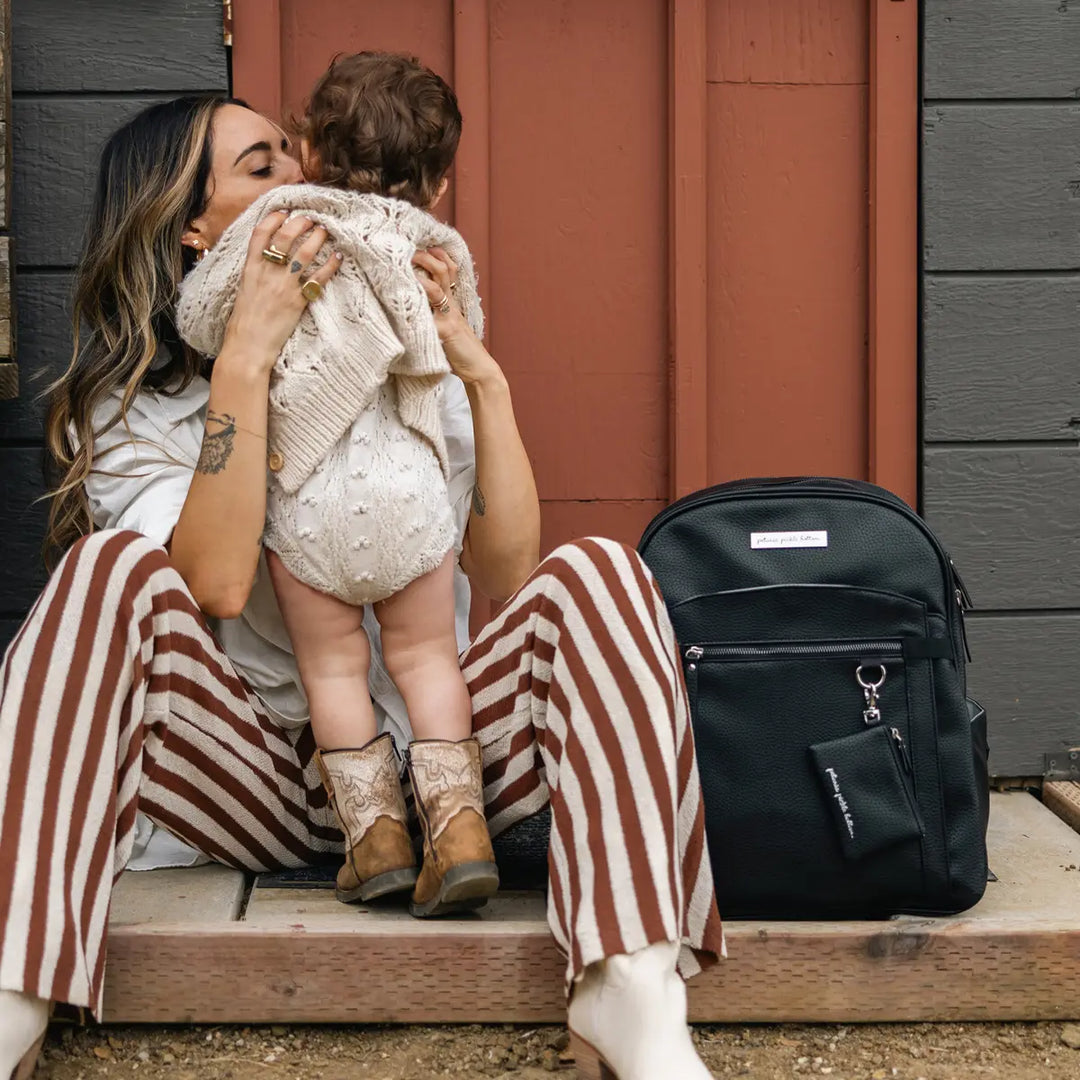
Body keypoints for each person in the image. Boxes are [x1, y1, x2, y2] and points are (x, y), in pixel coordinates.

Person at [0, 90, 724, 1080]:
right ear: (192, 232)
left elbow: (508, 577)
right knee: (102, 571)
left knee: (599, 569)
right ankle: (11, 995)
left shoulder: (390, 352)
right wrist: (246, 356)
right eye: (262, 168)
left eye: (297, 159)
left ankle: (632, 989)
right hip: (258, 770)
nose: (302, 182)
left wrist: (481, 377)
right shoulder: (133, 415)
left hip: (452, 764)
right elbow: (211, 580)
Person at [177, 52, 498, 918]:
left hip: (310, 493)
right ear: (436, 184)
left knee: (332, 668)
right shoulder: (437, 243)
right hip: (411, 489)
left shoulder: (283, 218)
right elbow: (453, 328)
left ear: (313, 148)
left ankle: (376, 841)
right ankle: (460, 831)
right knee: (429, 657)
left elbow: (203, 317)